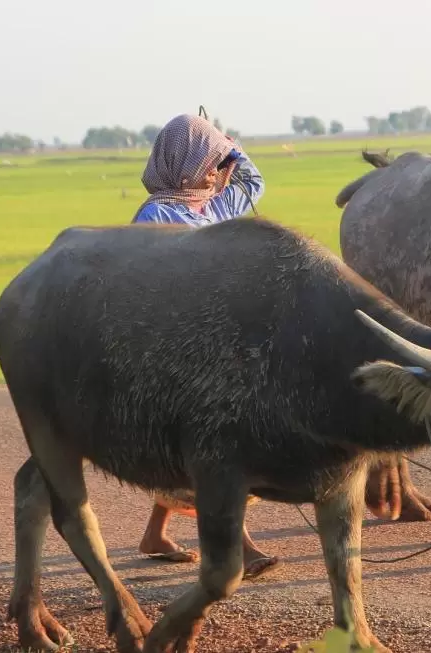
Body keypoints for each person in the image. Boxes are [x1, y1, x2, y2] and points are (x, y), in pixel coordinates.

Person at [131, 114, 277, 579]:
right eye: (211, 162)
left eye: (220, 163)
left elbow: (254, 179)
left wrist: (230, 143)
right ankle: (240, 545)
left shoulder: (214, 204)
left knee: (188, 453)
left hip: (221, 342)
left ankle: (155, 533)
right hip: (180, 347)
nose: (220, 171)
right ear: (188, 165)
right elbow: (149, 286)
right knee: (217, 445)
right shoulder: (156, 216)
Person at [132, 113, 264, 226]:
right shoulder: (157, 216)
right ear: (179, 164)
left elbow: (252, 182)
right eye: (204, 162)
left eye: (217, 162)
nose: (215, 171)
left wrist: (227, 144)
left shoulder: (220, 205)